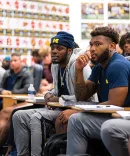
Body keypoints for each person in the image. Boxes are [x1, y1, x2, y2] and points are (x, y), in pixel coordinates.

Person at [12, 31, 94, 156]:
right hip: (60, 108)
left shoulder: (81, 66)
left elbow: (88, 98)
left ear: (69, 50)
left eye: (59, 48)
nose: (54, 51)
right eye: (53, 48)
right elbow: (56, 90)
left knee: (36, 118)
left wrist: (58, 99)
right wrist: (48, 94)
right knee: (18, 116)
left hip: (77, 110)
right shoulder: (55, 65)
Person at [66, 26, 130, 155]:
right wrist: (78, 70)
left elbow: (114, 104)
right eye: (91, 45)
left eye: (98, 44)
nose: (92, 49)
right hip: (113, 117)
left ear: (112, 46)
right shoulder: (99, 67)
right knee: (75, 118)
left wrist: (81, 109)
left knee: (76, 120)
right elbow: (82, 96)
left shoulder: (117, 65)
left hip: (123, 118)